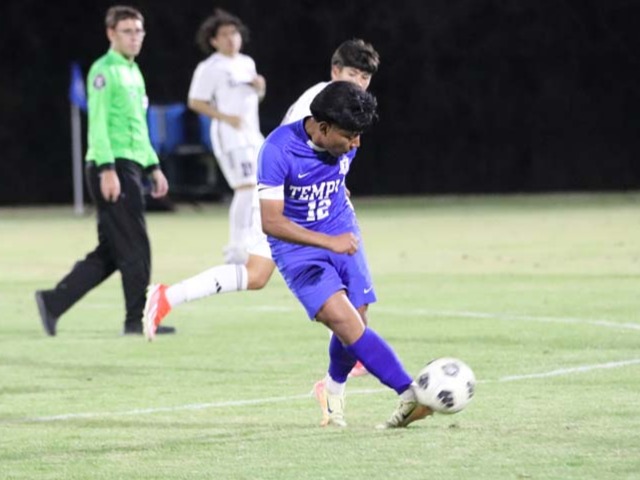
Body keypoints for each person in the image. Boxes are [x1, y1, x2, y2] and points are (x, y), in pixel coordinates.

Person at [143, 39, 380, 339]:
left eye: (365, 77)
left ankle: (167, 297)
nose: (359, 82)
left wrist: (336, 184)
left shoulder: (345, 105)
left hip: (304, 203)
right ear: (336, 71)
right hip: (283, 202)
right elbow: (293, 154)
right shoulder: (319, 103)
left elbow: (325, 158)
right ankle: (168, 296)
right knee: (263, 275)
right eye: (352, 74)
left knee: (268, 276)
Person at [257, 81, 431, 428]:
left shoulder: (344, 142)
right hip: (298, 249)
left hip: (342, 228)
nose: (356, 144)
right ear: (322, 128)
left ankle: (332, 389)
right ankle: (410, 393)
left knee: (357, 321)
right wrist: (328, 242)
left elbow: (334, 176)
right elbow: (271, 222)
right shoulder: (277, 150)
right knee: (343, 321)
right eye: (350, 136)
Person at [34, 5, 175, 336]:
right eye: (127, 31)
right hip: (112, 167)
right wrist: (107, 169)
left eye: (139, 31)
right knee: (136, 246)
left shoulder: (134, 72)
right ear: (111, 33)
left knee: (113, 251)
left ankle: (53, 302)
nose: (135, 37)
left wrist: (153, 167)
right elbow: (97, 124)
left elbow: (138, 127)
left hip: (131, 166)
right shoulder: (103, 71)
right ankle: (137, 320)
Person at [187, 9, 266, 265]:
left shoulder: (247, 63)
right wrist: (225, 117)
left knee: (260, 189)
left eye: (234, 33)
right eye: (224, 34)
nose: (231, 38)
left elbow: (253, 99)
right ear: (213, 40)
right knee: (245, 188)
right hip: (230, 137)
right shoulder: (210, 67)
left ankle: (251, 243)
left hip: (252, 134)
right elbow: (195, 101)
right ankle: (235, 250)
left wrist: (260, 88)